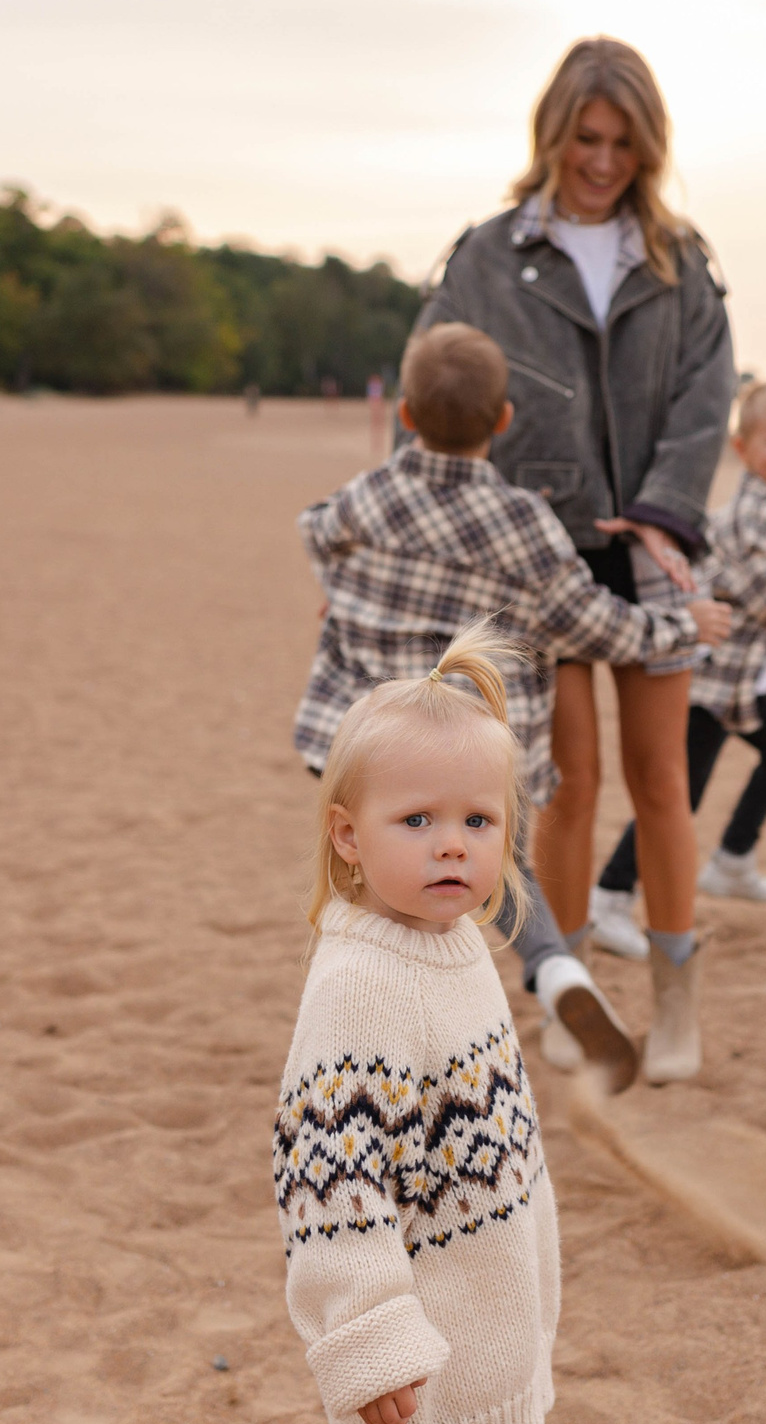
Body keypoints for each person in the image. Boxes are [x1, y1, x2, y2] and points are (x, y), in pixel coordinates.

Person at [411, 37, 735, 1084]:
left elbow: (706, 397)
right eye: (586, 138)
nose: (601, 161)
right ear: (553, 134)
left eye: (623, 144)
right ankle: (573, 993)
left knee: (661, 780)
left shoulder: (679, 260)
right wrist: (428, 532)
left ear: (648, 147)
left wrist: (664, 515)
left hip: (655, 551)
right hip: (533, 554)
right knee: (564, 783)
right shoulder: (484, 256)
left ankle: (676, 1006)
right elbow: (433, 381)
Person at [295, 323, 733, 1093]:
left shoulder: (365, 498)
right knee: (496, 870)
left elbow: (315, 531)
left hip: (362, 740)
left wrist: (341, 593)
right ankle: (555, 966)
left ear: (405, 413)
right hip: (469, 747)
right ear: (503, 420)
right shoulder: (525, 522)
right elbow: (597, 623)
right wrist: (682, 625)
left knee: (374, 878)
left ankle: (380, 1020)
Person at [275, 620, 558, 1424]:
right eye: (417, 820)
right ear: (348, 835)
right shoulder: (362, 985)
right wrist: (371, 1338)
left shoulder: (457, 940)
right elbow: (331, 1177)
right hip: (422, 1382)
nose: (453, 843)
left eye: (479, 819)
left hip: (487, 1352)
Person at [592, 382, 766, 930]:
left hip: (744, 678)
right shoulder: (754, 514)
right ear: (742, 449)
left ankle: (732, 861)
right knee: (680, 794)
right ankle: (609, 896)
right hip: (712, 681)